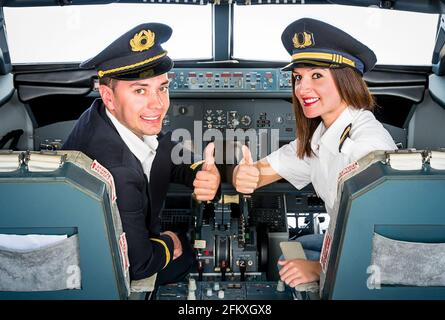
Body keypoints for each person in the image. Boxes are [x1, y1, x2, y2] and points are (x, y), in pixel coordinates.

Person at [232, 18, 397, 288]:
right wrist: (245, 174)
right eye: (298, 77)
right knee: (294, 247)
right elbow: (262, 171)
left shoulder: (366, 148)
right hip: (342, 240)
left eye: (316, 76)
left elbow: (383, 245)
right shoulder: (323, 135)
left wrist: (320, 271)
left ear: (346, 80)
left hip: (371, 260)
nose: (301, 89)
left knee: (288, 263)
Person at [63, 23, 221, 285]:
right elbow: (138, 265)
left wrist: (200, 170)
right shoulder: (118, 171)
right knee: (189, 252)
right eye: (140, 90)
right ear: (109, 96)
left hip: (111, 234)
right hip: (104, 267)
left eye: (162, 87)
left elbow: (163, 150)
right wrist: (173, 241)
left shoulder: (103, 116)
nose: (158, 104)